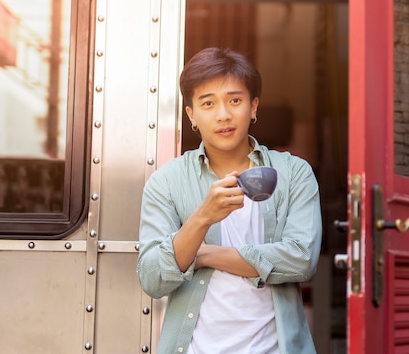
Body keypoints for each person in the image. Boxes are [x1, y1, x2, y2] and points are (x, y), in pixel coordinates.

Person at [137, 47, 322, 354]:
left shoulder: (293, 173)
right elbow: (152, 278)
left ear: (253, 106)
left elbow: (302, 260)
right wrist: (201, 219)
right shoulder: (167, 182)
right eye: (208, 103)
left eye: (235, 100)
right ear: (192, 115)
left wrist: (205, 255)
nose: (223, 114)